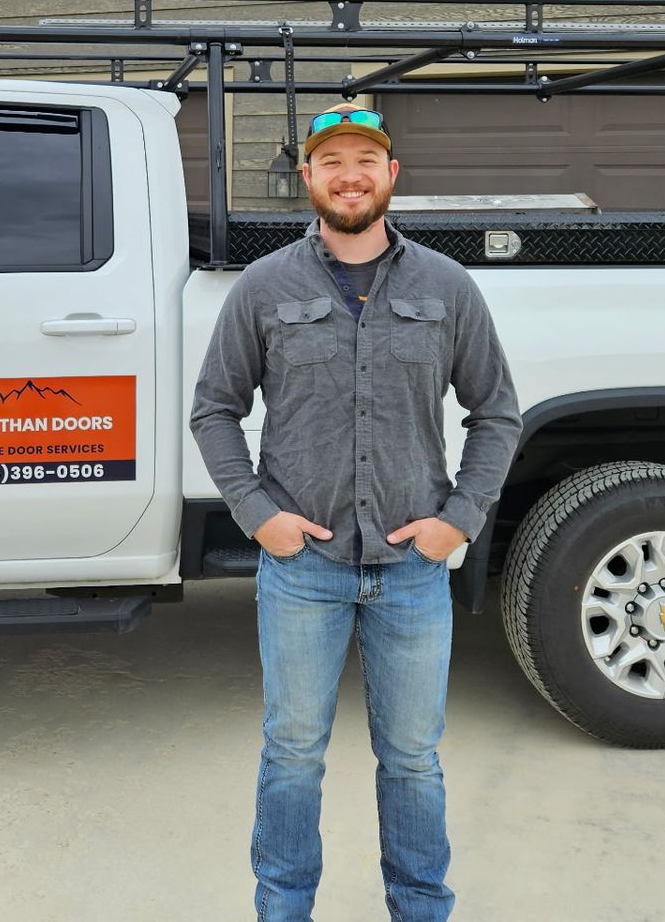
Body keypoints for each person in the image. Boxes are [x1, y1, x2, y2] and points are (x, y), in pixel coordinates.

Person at [190, 103, 522, 922]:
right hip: (303, 570)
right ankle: (283, 911)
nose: (349, 175)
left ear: (391, 175)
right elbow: (214, 410)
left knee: (412, 760)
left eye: (365, 160)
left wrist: (462, 517)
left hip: (412, 571)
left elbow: (498, 412)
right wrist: (256, 512)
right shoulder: (266, 287)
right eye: (331, 160)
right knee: (294, 756)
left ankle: (419, 910)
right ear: (307, 178)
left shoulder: (446, 287)